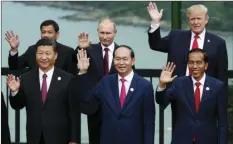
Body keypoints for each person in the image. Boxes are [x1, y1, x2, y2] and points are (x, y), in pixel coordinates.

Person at [147, 2, 228, 128]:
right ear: (188, 21)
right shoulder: (176, 36)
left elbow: (221, 75)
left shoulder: (218, 43)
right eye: (192, 19)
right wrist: (155, 22)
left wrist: (220, 105)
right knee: (180, 133)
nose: (196, 22)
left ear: (206, 19)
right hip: (180, 95)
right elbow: (156, 44)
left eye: (199, 18)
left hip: (206, 96)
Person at [70, 45, 155, 144]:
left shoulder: (145, 86)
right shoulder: (106, 82)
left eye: (125, 59)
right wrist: (83, 72)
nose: (121, 63)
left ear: (133, 60)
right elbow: (86, 101)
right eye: (118, 59)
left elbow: (149, 122)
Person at [6, 38, 79, 144]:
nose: (44, 57)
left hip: (60, 136)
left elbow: (73, 112)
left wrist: (74, 139)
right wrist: (15, 92)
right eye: (40, 53)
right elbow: (17, 105)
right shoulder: (26, 78)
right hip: (34, 136)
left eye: (48, 53)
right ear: (36, 55)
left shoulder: (68, 79)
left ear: (55, 56)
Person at [156, 49, 228, 144]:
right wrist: (162, 85)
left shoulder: (217, 86)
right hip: (182, 139)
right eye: (191, 62)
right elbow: (162, 101)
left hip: (208, 140)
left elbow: (222, 122)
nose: (194, 66)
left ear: (206, 65)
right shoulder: (179, 83)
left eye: (199, 62)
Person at [74, 18, 119, 144]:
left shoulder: (123, 52)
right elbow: (73, 64)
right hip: (95, 108)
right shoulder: (89, 50)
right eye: (102, 33)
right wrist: (80, 48)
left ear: (115, 33)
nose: (105, 37)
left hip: (117, 108)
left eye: (108, 33)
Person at [5, 19, 76, 74]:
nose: (46, 35)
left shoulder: (67, 52)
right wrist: (14, 49)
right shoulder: (32, 50)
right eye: (43, 32)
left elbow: (72, 76)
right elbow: (14, 66)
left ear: (57, 34)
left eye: (49, 32)